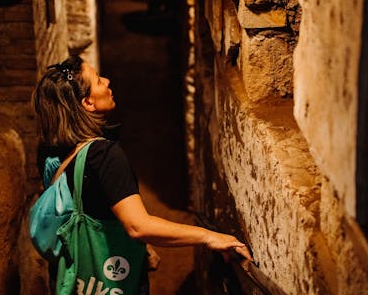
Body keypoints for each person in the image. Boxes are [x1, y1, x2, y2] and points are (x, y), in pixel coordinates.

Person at [33, 55, 252, 293]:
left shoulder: (49, 152)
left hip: (73, 276)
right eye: (98, 81)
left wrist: (139, 248)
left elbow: (83, 207)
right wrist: (209, 236)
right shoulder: (104, 155)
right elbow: (138, 226)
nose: (106, 82)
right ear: (88, 103)